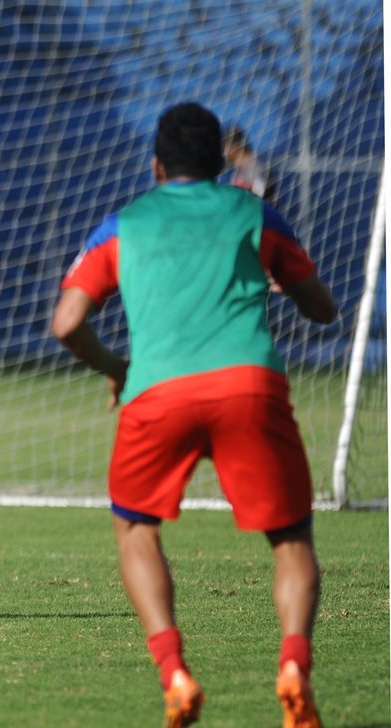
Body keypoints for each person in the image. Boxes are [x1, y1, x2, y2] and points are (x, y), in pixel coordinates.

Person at [50, 103, 336, 728]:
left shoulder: (123, 223)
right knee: (290, 539)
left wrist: (116, 368)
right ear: (219, 165)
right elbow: (322, 309)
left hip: (158, 395)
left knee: (136, 529)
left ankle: (175, 674)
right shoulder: (254, 212)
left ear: (154, 165)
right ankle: (292, 667)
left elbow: (67, 324)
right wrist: (281, 282)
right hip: (249, 389)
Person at [223, 125, 277, 204]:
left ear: (234, 147)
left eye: (225, 147)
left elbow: (263, 199)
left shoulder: (254, 168)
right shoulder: (238, 166)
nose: (224, 153)